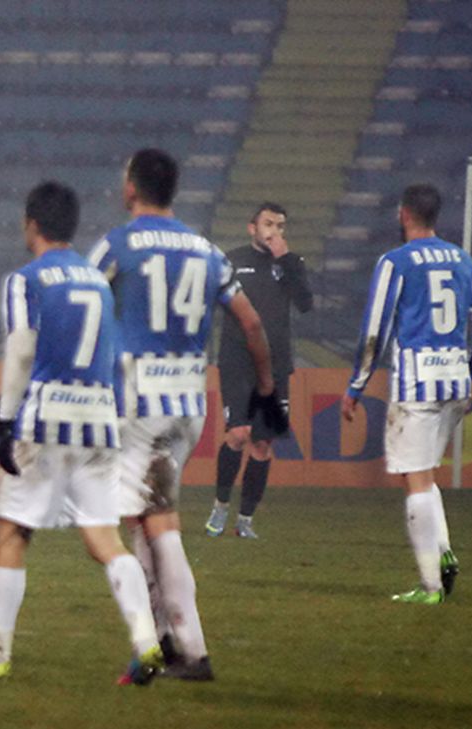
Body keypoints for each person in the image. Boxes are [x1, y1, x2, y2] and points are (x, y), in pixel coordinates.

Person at [0, 182, 163, 686]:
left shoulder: (26, 280)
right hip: (99, 421)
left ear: (31, 224)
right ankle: (147, 641)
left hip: (46, 419)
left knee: (12, 533)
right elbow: (115, 356)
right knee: (104, 538)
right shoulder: (98, 281)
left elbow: (22, 350)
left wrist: (6, 418)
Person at [88, 149, 284, 682]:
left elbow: (79, 304)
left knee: (154, 522)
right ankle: (167, 641)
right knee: (148, 517)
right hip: (188, 404)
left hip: (138, 403)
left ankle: (188, 647)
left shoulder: (118, 244)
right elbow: (251, 324)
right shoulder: (207, 252)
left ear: (132, 187)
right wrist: (266, 387)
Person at [341, 183, 472, 605]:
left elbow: (375, 330)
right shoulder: (462, 259)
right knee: (424, 473)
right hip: (456, 384)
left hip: (418, 384)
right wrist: (471, 370)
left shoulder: (396, 261)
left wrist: (356, 385)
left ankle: (431, 586)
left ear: (404, 214)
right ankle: (443, 553)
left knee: (415, 478)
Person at [209, 202, 313, 539]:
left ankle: (245, 520)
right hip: (237, 361)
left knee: (262, 444)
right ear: (252, 228)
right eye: (268, 224)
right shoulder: (232, 261)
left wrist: (286, 260)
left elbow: (306, 303)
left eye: (280, 226)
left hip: (276, 363)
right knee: (238, 434)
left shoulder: (291, 263)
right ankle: (220, 505)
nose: (275, 231)